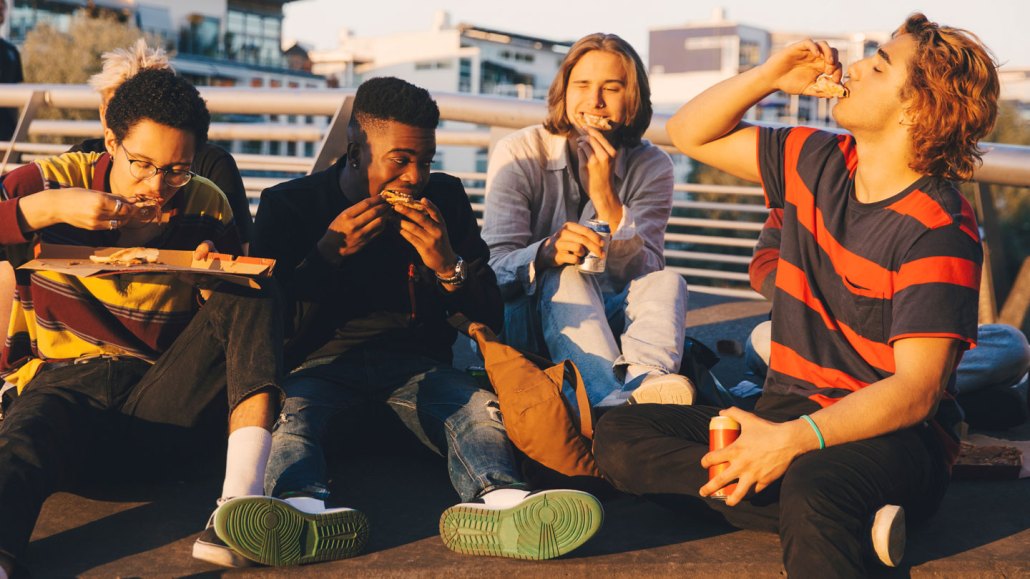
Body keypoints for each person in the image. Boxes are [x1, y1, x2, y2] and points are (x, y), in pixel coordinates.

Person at [593, 13, 998, 577]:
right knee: (619, 433)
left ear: (917, 109)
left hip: (894, 440)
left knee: (813, 480)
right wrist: (768, 75)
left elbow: (916, 392)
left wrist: (794, 442)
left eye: (877, 65)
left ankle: (832, 504)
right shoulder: (816, 158)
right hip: (786, 405)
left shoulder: (940, 225)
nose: (854, 67)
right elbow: (689, 133)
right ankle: (856, 517)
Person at [216, 77, 602, 567]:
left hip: (419, 367)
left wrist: (448, 267)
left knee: (479, 411)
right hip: (319, 370)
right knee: (290, 419)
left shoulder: (445, 198)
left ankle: (503, 504)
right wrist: (324, 258)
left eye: (426, 160)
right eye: (400, 159)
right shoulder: (289, 205)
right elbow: (269, 335)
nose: (415, 177)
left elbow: (488, 320)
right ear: (355, 152)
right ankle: (300, 508)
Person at [0, 69, 282, 574]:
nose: (159, 186)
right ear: (111, 139)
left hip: (164, 400)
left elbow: (226, 334)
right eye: (143, 164)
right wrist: (47, 208)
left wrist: (210, 277)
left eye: (178, 169)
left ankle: (238, 505)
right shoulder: (54, 180)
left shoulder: (204, 202)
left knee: (249, 284)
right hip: (67, 396)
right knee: (23, 441)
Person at [482, 33, 692, 411]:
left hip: (616, 332)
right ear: (564, 92)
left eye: (611, 88)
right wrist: (545, 253)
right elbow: (491, 272)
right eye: (582, 85)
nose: (595, 101)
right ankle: (608, 402)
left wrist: (607, 198)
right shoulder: (519, 152)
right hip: (531, 329)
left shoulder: (653, 165)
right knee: (567, 272)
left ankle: (645, 382)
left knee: (667, 280)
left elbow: (644, 273)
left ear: (633, 99)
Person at [746, 209, 1030, 428]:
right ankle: (922, 403)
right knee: (760, 341)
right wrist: (830, 302)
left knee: (1011, 345)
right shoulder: (810, 174)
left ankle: (875, 401)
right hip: (821, 336)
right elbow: (763, 264)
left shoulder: (924, 197)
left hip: (901, 341)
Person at [69, 39, 253, 248]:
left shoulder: (211, 171)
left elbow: (239, 253)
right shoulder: (77, 167)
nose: (157, 184)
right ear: (104, 113)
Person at [0, 0, 23, 142]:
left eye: (2, 8)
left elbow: (18, 92)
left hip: (6, 132)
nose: (1, 11)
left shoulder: (12, 51)